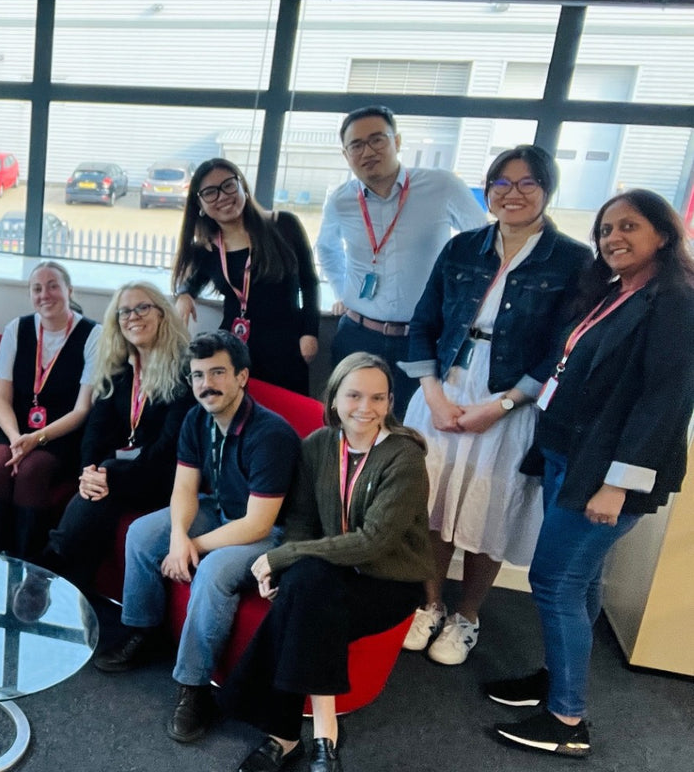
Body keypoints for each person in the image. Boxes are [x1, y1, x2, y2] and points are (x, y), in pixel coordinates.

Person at [488, 189, 694, 758]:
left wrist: (617, 484)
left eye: (628, 226)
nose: (612, 239)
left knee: (553, 583)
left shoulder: (675, 301)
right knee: (583, 582)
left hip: (603, 475)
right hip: (568, 457)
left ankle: (567, 718)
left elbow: (665, 401)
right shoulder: (615, 292)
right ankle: (558, 677)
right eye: (605, 230)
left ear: (663, 233)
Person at [399, 146, 593, 665]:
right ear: (487, 191)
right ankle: (431, 603)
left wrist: (502, 405)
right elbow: (423, 324)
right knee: (432, 502)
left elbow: (564, 345)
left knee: (488, 507)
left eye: (527, 183)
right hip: (446, 384)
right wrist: (434, 395)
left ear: (547, 191)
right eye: (501, 183)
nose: (513, 193)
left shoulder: (574, 259)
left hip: (512, 395)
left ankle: (468, 617)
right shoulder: (461, 247)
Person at [223, 352, 431, 772]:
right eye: (354, 395)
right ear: (334, 398)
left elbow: (374, 541)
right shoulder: (317, 445)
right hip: (331, 573)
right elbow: (299, 521)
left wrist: (282, 559)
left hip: (387, 582)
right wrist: (288, 560)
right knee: (306, 589)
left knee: (305, 595)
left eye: (378, 397)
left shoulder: (404, 457)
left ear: (391, 402)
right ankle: (323, 735)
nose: (365, 407)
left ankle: (286, 735)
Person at [105, 331, 302, 745]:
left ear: (242, 376)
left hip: (271, 532)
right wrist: (178, 535)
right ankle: (143, 631)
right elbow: (184, 490)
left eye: (217, 373)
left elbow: (258, 524)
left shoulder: (271, 434)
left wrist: (192, 547)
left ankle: (193, 688)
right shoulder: (198, 418)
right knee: (143, 533)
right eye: (197, 375)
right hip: (220, 510)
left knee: (213, 570)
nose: (205, 384)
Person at [315, 105, 488, 408]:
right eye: (356, 145)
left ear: (397, 141)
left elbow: (483, 247)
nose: (367, 151)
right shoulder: (342, 200)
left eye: (377, 139)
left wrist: (459, 302)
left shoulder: (441, 186)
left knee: (412, 428)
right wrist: (346, 291)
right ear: (346, 155)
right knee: (352, 420)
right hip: (357, 336)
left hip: (422, 338)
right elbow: (327, 248)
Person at [38, 282, 194, 594]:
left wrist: (109, 474)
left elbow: (168, 447)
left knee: (102, 489)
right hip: (115, 477)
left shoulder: (185, 371)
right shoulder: (119, 370)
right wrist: (89, 472)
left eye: (142, 308)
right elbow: (94, 433)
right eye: (124, 311)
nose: (132, 316)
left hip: (163, 479)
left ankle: (49, 565)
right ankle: (76, 594)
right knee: (98, 498)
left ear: (163, 315)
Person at [0, 260, 100, 557]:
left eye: (53, 286)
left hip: (61, 434)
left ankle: (26, 562)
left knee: (31, 469)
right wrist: (15, 438)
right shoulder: (16, 329)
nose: (45, 294)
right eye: (37, 288)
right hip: (13, 428)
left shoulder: (93, 334)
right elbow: (0, 399)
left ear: (69, 291)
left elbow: (82, 409)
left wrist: (37, 439)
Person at [172, 158, 320, 394]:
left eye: (228, 185)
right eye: (210, 192)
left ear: (242, 186)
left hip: (286, 347)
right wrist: (183, 294)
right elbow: (192, 282)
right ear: (199, 203)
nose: (222, 196)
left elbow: (309, 281)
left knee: (285, 420)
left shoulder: (284, 225)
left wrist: (310, 332)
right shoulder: (207, 248)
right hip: (232, 351)